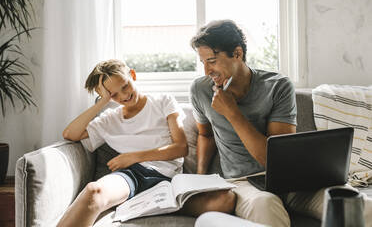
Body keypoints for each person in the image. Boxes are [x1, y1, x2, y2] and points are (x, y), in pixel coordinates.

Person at [180, 19, 298, 226]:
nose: (207, 71)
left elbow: (277, 160)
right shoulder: (200, 90)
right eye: (203, 62)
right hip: (243, 182)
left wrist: (232, 113)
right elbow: (206, 134)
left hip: (292, 178)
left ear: (237, 54)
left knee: (358, 203)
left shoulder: (278, 86)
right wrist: (200, 179)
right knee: (266, 205)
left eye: (212, 61)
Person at [57, 59, 188, 227]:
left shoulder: (163, 101)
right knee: (93, 192)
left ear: (132, 75)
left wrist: (133, 157)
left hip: (168, 178)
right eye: (114, 94)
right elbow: (70, 134)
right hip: (131, 177)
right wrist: (103, 102)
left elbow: (181, 148)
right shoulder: (109, 119)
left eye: (125, 86)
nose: (124, 96)